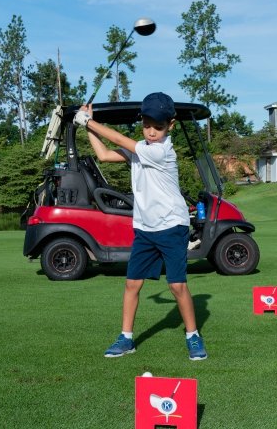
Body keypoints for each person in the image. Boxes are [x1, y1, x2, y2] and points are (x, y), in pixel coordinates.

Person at [73, 92, 207, 360]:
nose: (151, 131)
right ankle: (126, 338)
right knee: (132, 284)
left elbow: (120, 140)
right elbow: (104, 154)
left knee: (177, 286)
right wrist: (86, 126)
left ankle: (193, 336)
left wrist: (88, 121)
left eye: (158, 127)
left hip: (171, 226)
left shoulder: (161, 151)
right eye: (146, 125)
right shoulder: (140, 149)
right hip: (145, 228)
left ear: (170, 125)